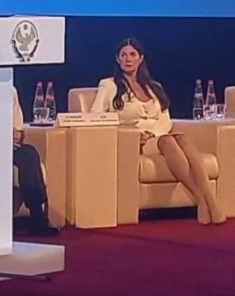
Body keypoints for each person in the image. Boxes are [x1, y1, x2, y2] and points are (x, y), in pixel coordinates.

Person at [89, 38, 226, 225]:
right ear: (117, 59)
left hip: (156, 136)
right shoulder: (108, 85)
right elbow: (95, 116)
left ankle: (210, 197)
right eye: (123, 55)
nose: (128, 59)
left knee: (182, 138)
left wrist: (152, 134)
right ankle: (200, 198)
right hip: (133, 141)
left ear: (140, 58)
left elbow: (165, 119)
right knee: (168, 141)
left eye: (132, 54)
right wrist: (127, 132)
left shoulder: (154, 87)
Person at [12, 88, 59, 236]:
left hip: (9, 148)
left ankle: (37, 215)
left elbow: (18, 128)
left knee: (29, 153)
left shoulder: (10, 91)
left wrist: (17, 134)